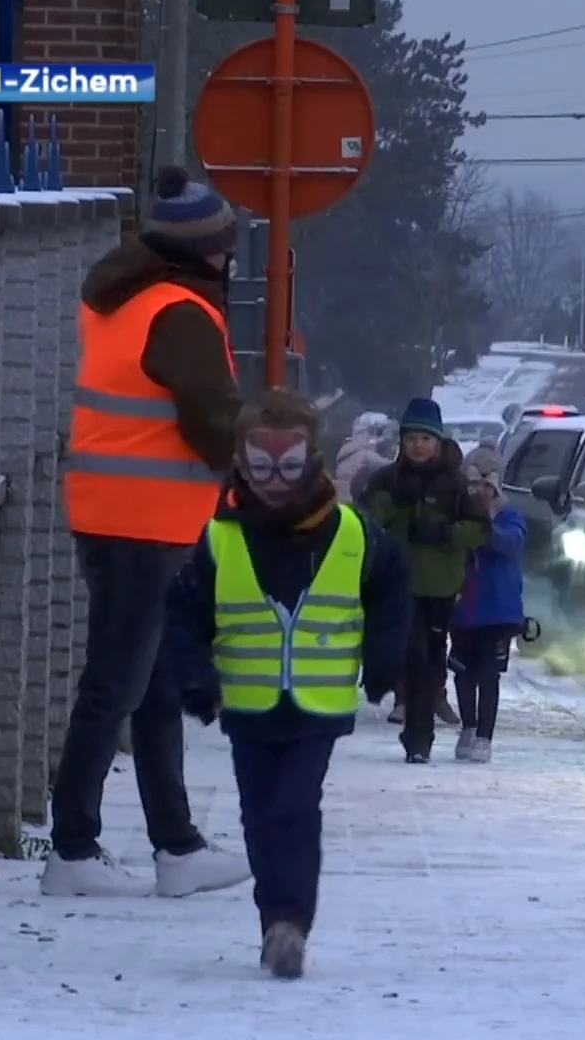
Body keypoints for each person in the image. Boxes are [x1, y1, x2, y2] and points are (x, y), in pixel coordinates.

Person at [41, 165, 254, 899]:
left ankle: (177, 845)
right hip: (148, 521)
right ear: (204, 250)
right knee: (117, 684)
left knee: (156, 683)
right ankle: (72, 845)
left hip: (117, 510)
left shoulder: (121, 296)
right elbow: (209, 414)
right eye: (227, 246)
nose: (233, 258)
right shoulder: (182, 311)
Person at [163, 390, 411, 978]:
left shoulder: (353, 534)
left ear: (315, 460)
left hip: (315, 707)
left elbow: (393, 589)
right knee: (258, 815)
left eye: (290, 465)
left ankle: (290, 922)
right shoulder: (220, 539)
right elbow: (183, 614)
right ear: (242, 464)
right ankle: (274, 920)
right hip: (246, 706)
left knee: (295, 809)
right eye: (262, 465)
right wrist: (196, 680)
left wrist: (382, 661)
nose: (276, 480)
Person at [362, 397, 491, 762]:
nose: (418, 446)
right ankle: (414, 732)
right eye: (412, 439)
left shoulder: (455, 484)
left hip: (440, 586)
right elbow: (366, 518)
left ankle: (421, 735)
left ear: (438, 442)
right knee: (411, 654)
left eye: (425, 439)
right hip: (397, 584)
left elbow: (481, 529)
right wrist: (393, 505)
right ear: (402, 442)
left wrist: (447, 534)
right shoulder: (387, 480)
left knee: (431, 660)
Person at [450, 453, 526, 762]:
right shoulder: (457, 516)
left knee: (488, 674)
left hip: (498, 612)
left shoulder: (508, 517)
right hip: (463, 610)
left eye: (486, 486)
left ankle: (485, 735)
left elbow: (513, 543)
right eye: (474, 486)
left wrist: (486, 530)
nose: (480, 492)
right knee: (462, 672)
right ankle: (468, 726)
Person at [334, 411, 389, 503]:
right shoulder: (366, 456)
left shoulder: (346, 454)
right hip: (353, 502)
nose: (381, 438)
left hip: (340, 500)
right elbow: (391, 467)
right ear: (369, 432)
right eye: (379, 432)